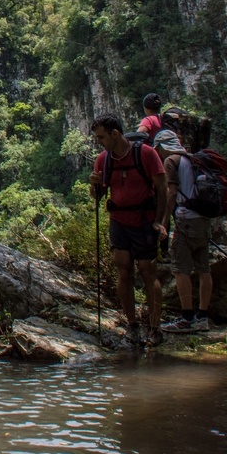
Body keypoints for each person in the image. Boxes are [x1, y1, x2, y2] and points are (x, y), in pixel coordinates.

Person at [89, 114, 168, 347]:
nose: (99, 142)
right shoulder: (103, 160)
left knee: (147, 270)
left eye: (101, 137)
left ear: (115, 134)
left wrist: (160, 221)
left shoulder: (145, 154)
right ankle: (132, 326)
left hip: (144, 220)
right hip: (119, 220)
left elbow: (163, 190)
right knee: (123, 270)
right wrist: (94, 186)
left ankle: (154, 328)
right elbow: (99, 196)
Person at [153, 130, 213, 332]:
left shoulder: (171, 160)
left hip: (185, 220)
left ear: (162, 146)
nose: (157, 154)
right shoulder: (193, 158)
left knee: (180, 269)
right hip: (203, 219)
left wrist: (163, 221)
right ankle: (203, 316)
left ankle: (187, 318)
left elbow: (171, 192)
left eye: (157, 149)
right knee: (204, 269)